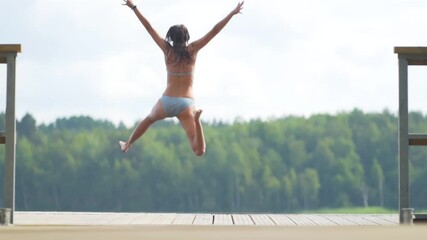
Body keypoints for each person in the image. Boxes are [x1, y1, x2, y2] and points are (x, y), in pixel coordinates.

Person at [120, 0, 244, 156]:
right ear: (186, 37)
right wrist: (232, 14)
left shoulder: (167, 50)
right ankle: (197, 120)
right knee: (199, 151)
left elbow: (149, 27)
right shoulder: (192, 50)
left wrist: (134, 7)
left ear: (171, 37)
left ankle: (127, 144)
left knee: (149, 119)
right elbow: (214, 31)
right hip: (186, 105)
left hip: (166, 101)